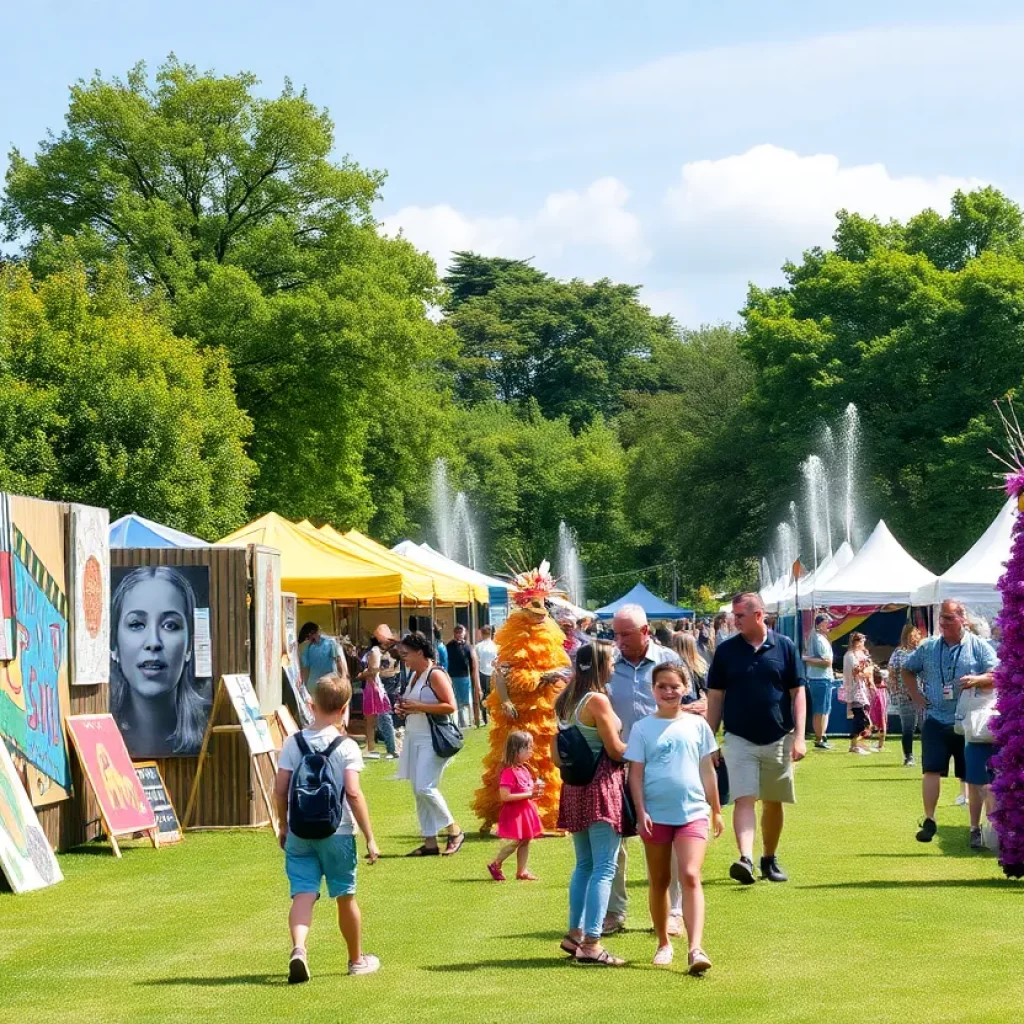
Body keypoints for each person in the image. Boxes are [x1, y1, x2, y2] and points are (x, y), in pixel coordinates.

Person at [273, 672, 380, 981]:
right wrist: (371, 837)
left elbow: (280, 789)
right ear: (345, 706)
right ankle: (356, 960)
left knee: (303, 893)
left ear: (312, 703)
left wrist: (283, 825)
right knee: (345, 895)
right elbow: (354, 792)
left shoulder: (294, 742)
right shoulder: (346, 746)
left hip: (300, 830)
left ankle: (299, 949)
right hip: (338, 829)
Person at [627, 663, 722, 974]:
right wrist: (641, 811)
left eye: (674, 686)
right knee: (659, 881)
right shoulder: (642, 728)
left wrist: (717, 809)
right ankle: (663, 942)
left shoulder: (698, 725)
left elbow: (708, 770)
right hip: (656, 816)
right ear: (652, 690)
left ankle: (696, 948)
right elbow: (635, 776)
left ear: (685, 688)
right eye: (662, 686)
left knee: (691, 875)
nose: (668, 692)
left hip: (693, 813)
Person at [706, 593, 807, 885]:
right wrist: (709, 738)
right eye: (734, 616)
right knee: (744, 799)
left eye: (739, 616)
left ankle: (768, 858)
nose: (733, 621)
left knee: (773, 802)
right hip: (738, 738)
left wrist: (800, 737)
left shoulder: (785, 647)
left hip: (778, 737)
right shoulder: (726, 651)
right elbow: (715, 697)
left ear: (759, 615)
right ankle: (746, 858)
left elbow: (797, 692)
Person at [603, 604, 691, 937]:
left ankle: (674, 912)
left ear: (644, 632)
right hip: (618, 763)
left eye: (625, 634)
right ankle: (615, 911)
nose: (618, 640)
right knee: (615, 842)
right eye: (615, 633)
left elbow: (693, 701)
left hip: (664, 763)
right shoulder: (608, 664)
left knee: (667, 839)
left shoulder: (669, 660)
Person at [472, 563, 570, 834]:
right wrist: (504, 700)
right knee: (514, 754)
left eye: (542, 608)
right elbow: (501, 672)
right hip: (518, 709)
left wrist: (551, 677)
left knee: (545, 757)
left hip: (544, 707)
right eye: (534, 608)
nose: (540, 615)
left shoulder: (551, 635)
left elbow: (563, 669)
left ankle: (544, 814)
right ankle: (507, 812)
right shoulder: (514, 635)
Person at [553, 641, 629, 967]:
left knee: (584, 865)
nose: (614, 666)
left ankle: (574, 934)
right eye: (610, 661)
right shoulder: (597, 700)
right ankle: (593, 943)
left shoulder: (564, 701)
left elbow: (555, 754)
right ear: (599, 666)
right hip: (601, 786)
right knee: (604, 868)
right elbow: (615, 750)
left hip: (574, 788)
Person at [902, 599, 999, 844]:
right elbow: (907, 668)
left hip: (970, 722)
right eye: (941, 618)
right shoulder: (928, 647)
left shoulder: (978, 646)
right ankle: (929, 819)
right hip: (936, 718)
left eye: (948, 618)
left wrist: (977, 680)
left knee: (975, 778)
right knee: (931, 771)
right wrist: (916, 696)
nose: (943, 623)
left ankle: (976, 829)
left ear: (962, 619)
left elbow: (998, 675)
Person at [110, 566, 211, 757]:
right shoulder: (100, 739)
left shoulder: (210, 733)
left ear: (189, 646)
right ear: (114, 645)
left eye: (170, 625)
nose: (154, 643)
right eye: (137, 624)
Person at [394, 632, 465, 856]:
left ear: (419, 652)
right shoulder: (414, 675)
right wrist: (405, 709)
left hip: (433, 739)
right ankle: (430, 842)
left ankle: (454, 830)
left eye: (406, 654)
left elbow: (450, 706)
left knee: (425, 787)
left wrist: (417, 706)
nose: (403, 658)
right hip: (414, 736)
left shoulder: (435, 674)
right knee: (418, 790)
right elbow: (416, 704)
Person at [487, 731, 545, 881]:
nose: (531, 751)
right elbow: (505, 796)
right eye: (528, 748)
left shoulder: (524, 769)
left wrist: (536, 791)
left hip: (526, 811)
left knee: (526, 840)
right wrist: (529, 795)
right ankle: (496, 863)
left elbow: (528, 789)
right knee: (517, 841)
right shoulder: (508, 772)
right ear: (516, 751)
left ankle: (522, 871)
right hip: (515, 812)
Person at [356, 626, 398, 761]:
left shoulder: (373, 652)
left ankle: (377, 747)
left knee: (377, 720)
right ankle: (372, 747)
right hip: (374, 687)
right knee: (374, 720)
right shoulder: (376, 652)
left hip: (374, 687)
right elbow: (374, 670)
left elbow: (373, 671)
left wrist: (362, 674)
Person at [888, 625, 924, 766]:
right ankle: (908, 756)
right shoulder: (900, 653)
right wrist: (897, 691)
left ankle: (927, 755)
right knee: (908, 727)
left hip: (921, 694)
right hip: (905, 695)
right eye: (915, 635)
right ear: (909, 636)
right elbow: (892, 673)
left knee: (925, 727)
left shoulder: (919, 652)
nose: (918, 637)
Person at [803, 614, 837, 750]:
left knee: (825, 710)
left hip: (825, 678)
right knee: (820, 710)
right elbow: (826, 661)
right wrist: (806, 659)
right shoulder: (817, 639)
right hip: (819, 679)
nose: (829, 625)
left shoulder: (820, 638)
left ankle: (822, 736)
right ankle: (819, 738)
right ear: (819, 624)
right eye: (826, 622)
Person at [843, 634, 874, 755]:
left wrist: (868, 671)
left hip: (862, 690)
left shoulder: (861, 655)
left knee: (863, 717)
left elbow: (869, 669)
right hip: (855, 691)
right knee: (859, 718)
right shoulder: (850, 656)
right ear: (857, 642)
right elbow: (857, 672)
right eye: (862, 641)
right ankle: (854, 745)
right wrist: (866, 671)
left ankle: (859, 744)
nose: (864, 643)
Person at [446, 625, 479, 729]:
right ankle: (459, 721)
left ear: (464, 633)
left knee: (465, 701)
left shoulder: (468, 647)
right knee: (455, 700)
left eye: (461, 632)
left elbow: (472, 663)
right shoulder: (449, 646)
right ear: (454, 633)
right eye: (457, 632)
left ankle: (468, 720)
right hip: (452, 676)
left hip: (464, 676)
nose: (459, 634)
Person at [300, 623, 347, 696]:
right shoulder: (307, 648)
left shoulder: (330, 643)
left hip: (328, 684)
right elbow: (306, 669)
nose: (312, 638)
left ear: (317, 631)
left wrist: (344, 678)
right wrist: (303, 686)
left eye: (313, 634)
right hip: (313, 686)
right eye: (308, 636)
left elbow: (338, 661)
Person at [474, 625, 499, 726]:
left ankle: (484, 717)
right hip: (493, 673)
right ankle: (493, 715)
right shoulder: (495, 646)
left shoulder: (478, 647)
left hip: (482, 673)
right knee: (493, 694)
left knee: (483, 695)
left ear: (482, 633)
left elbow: (476, 661)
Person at [869, 664, 889, 752]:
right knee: (882, 721)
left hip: (878, 700)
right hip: (880, 699)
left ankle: (880, 745)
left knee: (881, 722)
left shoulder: (877, 686)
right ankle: (880, 744)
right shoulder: (882, 687)